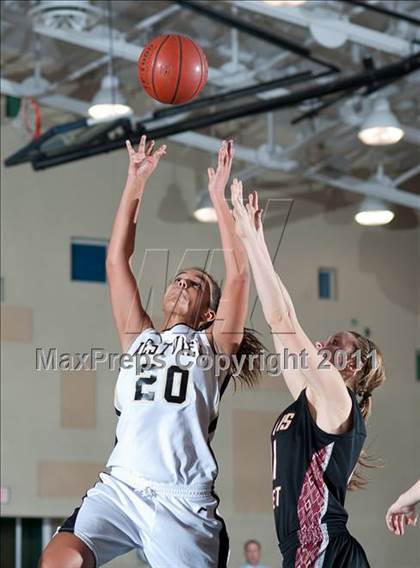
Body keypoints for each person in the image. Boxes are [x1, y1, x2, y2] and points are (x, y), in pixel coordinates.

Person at [39, 139, 264, 568]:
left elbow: (238, 274)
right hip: (121, 487)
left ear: (210, 313)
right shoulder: (139, 338)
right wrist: (135, 182)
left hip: (182, 502)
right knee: (60, 560)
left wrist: (218, 198)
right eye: (178, 278)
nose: (182, 284)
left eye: (195, 283)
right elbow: (115, 262)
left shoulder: (214, 348)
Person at [230, 180, 387, 567]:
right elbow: (283, 317)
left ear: (350, 366)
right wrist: (257, 240)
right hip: (306, 550)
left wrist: (250, 241)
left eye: (335, 342)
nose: (321, 342)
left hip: (325, 550)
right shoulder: (314, 397)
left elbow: (282, 318)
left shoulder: (336, 397)